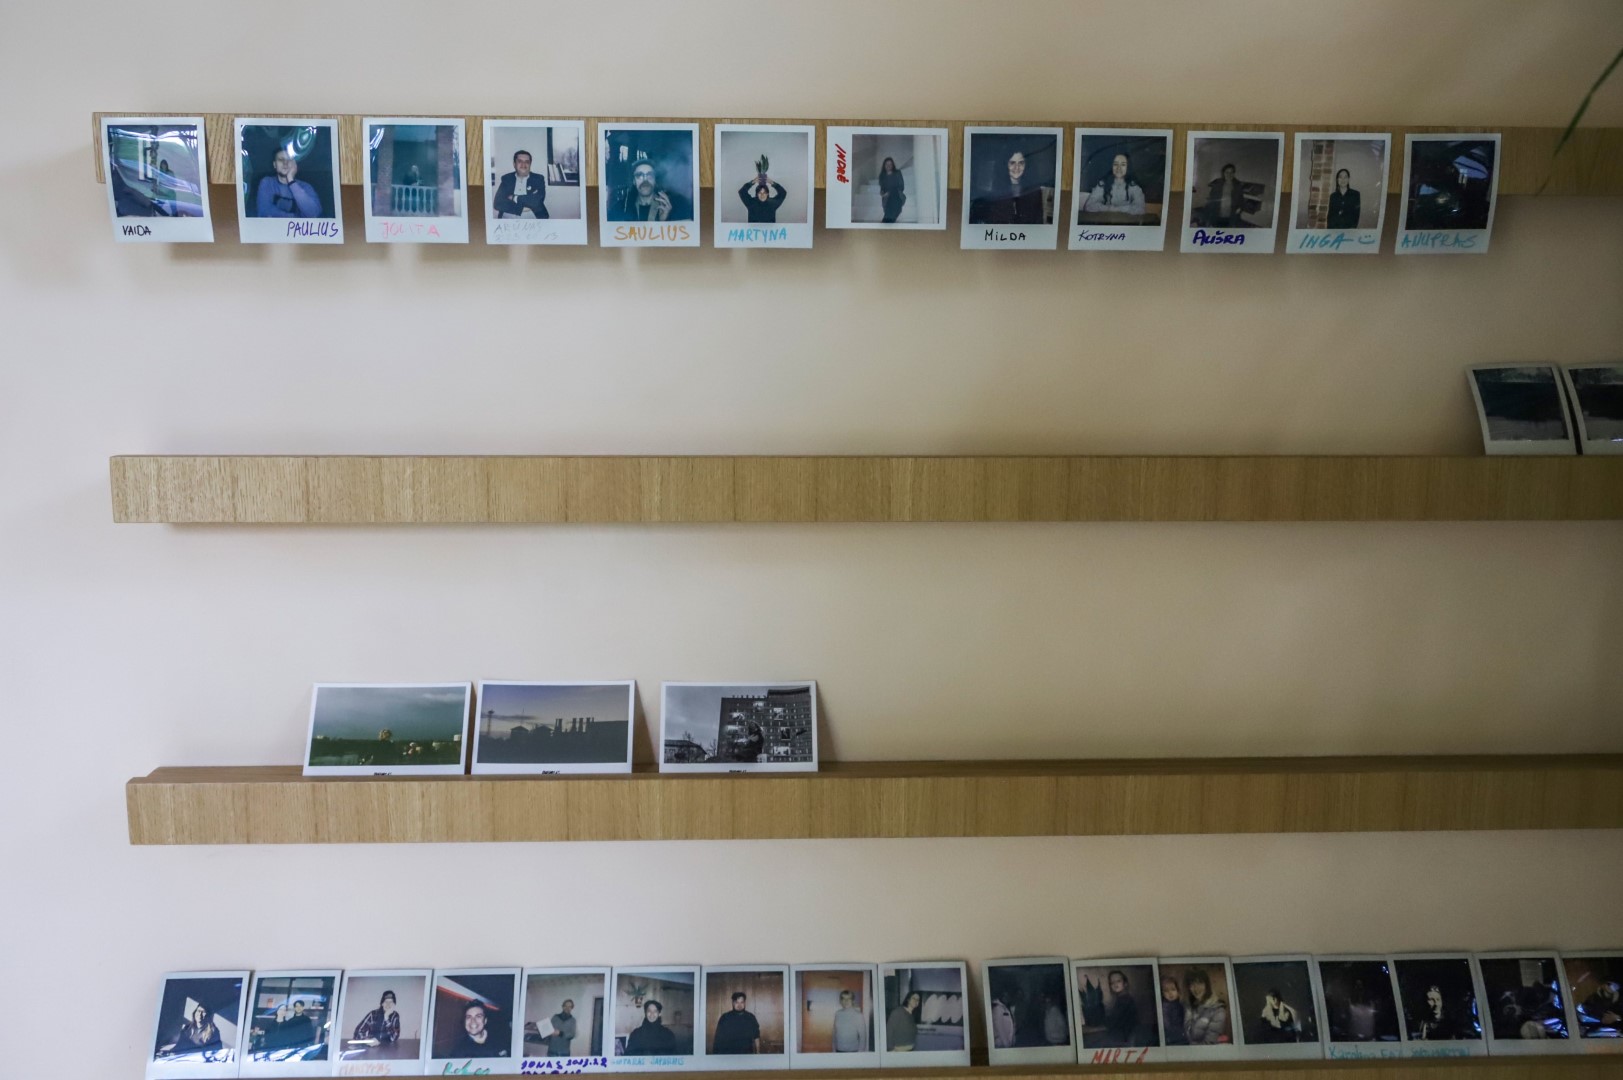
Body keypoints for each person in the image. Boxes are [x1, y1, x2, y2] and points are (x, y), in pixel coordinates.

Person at [970, 149, 1044, 224]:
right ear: (1005, 164)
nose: (1017, 167)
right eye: (1012, 163)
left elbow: (1039, 222)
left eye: (1021, 163)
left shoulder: (1034, 190)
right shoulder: (993, 189)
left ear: (1027, 164)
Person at [609, 160, 691, 222]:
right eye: (639, 175)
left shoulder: (672, 206)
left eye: (650, 175)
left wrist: (666, 220)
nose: (645, 180)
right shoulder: (621, 208)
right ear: (634, 181)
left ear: (655, 180)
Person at [254, 147, 323, 218]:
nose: (285, 163)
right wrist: (296, 218)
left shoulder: (305, 187)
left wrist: (291, 181)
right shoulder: (267, 182)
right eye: (281, 160)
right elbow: (264, 212)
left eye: (289, 160)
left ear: (294, 164)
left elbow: (314, 213)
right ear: (275, 165)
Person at [1080, 152, 1147, 219]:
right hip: (1106, 221)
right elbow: (1089, 206)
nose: (1119, 168)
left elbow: (1141, 209)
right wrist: (1109, 209)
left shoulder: (1133, 186)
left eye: (1123, 164)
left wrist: (1117, 209)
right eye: (1115, 164)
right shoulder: (1103, 184)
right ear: (1111, 166)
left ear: (1128, 167)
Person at [492, 149, 548, 220]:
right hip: (507, 218)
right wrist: (523, 207)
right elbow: (498, 203)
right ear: (514, 164)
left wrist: (514, 198)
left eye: (527, 162)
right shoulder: (507, 179)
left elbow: (537, 201)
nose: (523, 164)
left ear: (530, 164)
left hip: (532, 217)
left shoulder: (538, 179)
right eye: (520, 161)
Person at [1183, 969, 1229, 1045]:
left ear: (1207, 985)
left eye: (1200, 983)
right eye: (1192, 984)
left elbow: (1209, 1043)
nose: (1196, 988)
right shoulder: (1189, 1007)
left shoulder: (1218, 1010)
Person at [1161, 977, 1189, 1046]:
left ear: (1178, 991)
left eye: (1173, 989)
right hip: (1172, 1039)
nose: (1170, 993)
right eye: (1166, 991)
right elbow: (1167, 1026)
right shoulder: (1165, 1007)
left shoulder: (1181, 1004)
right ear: (1162, 993)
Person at [877, 157, 906, 223]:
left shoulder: (897, 173)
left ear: (893, 165)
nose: (888, 166)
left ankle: (886, 220)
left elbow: (901, 187)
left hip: (897, 196)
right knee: (890, 202)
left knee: (893, 194)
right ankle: (889, 220)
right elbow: (882, 189)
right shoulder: (882, 176)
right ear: (884, 165)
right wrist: (882, 193)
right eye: (887, 164)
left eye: (890, 164)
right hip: (887, 198)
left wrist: (890, 192)